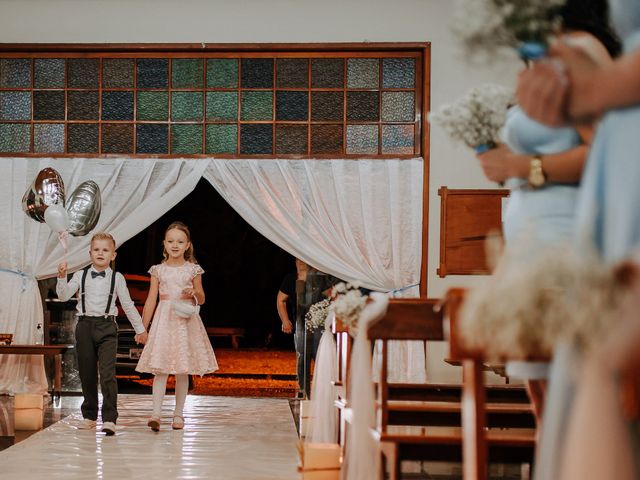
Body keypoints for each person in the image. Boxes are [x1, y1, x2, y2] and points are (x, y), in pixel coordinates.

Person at [56, 232, 147, 436]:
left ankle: (109, 419)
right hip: (85, 326)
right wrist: (62, 277)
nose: (100, 253)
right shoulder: (81, 275)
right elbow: (63, 296)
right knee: (87, 373)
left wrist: (140, 329)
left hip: (107, 327)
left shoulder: (118, 278)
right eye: (96, 249)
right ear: (90, 254)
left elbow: (128, 305)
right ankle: (89, 416)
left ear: (113, 256)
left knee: (107, 374)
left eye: (105, 250)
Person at [136, 221, 218, 431]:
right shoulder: (158, 270)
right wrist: (142, 328)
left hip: (184, 321)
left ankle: (178, 414)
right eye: (171, 241)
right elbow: (151, 300)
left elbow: (202, 298)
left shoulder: (193, 269)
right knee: (160, 368)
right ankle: (155, 413)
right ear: (164, 244)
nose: (175, 245)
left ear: (187, 245)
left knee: (183, 369)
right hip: (164, 320)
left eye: (180, 241)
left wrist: (194, 294)